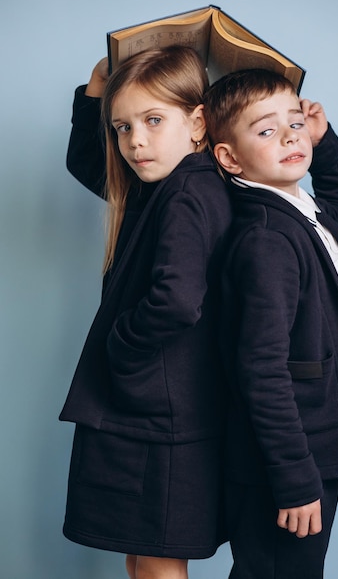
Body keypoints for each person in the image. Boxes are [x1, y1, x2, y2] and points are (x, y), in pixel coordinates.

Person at [203, 68, 338, 578]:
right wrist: (293, 478)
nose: (291, 135)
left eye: (294, 123)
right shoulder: (267, 239)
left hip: (308, 448)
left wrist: (323, 140)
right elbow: (260, 370)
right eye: (266, 130)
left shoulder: (299, 210)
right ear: (229, 157)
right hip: (284, 459)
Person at [59, 46, 233, 579]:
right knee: (143, 557)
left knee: (157, 562)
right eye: (122, 126)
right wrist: (95, 91)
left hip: (159, 417)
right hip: (153, 415)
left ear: (198, 122)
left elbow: (177, 300)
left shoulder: (187, 192)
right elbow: (92, 165)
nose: (135, 141)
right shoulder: (165, 187)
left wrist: (120, 346)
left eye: (153, 120)